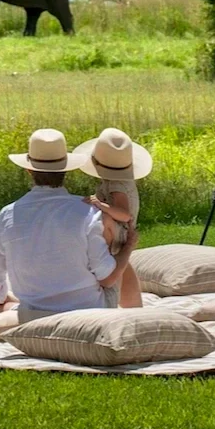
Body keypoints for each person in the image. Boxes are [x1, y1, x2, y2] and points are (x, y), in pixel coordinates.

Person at [0, 128, 139, 321]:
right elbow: (108, 278)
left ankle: (13, 310)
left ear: (29, 170)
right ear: (66, 170)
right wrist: (128, 248)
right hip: (87, 315)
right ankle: (137, 315)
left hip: (33, 315)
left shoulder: (7, 215)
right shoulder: (89, 212)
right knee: (120, 262)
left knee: (8, 305)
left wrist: (2, 298)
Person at [74, 127, 151, 308]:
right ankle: (133, 305)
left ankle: (106, 294)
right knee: (123, 265)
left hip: (118, 230)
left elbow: (124, 215)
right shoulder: (118, 182)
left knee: (112, 264)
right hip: (119, 232)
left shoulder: (117, 185)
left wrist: (101, 206)